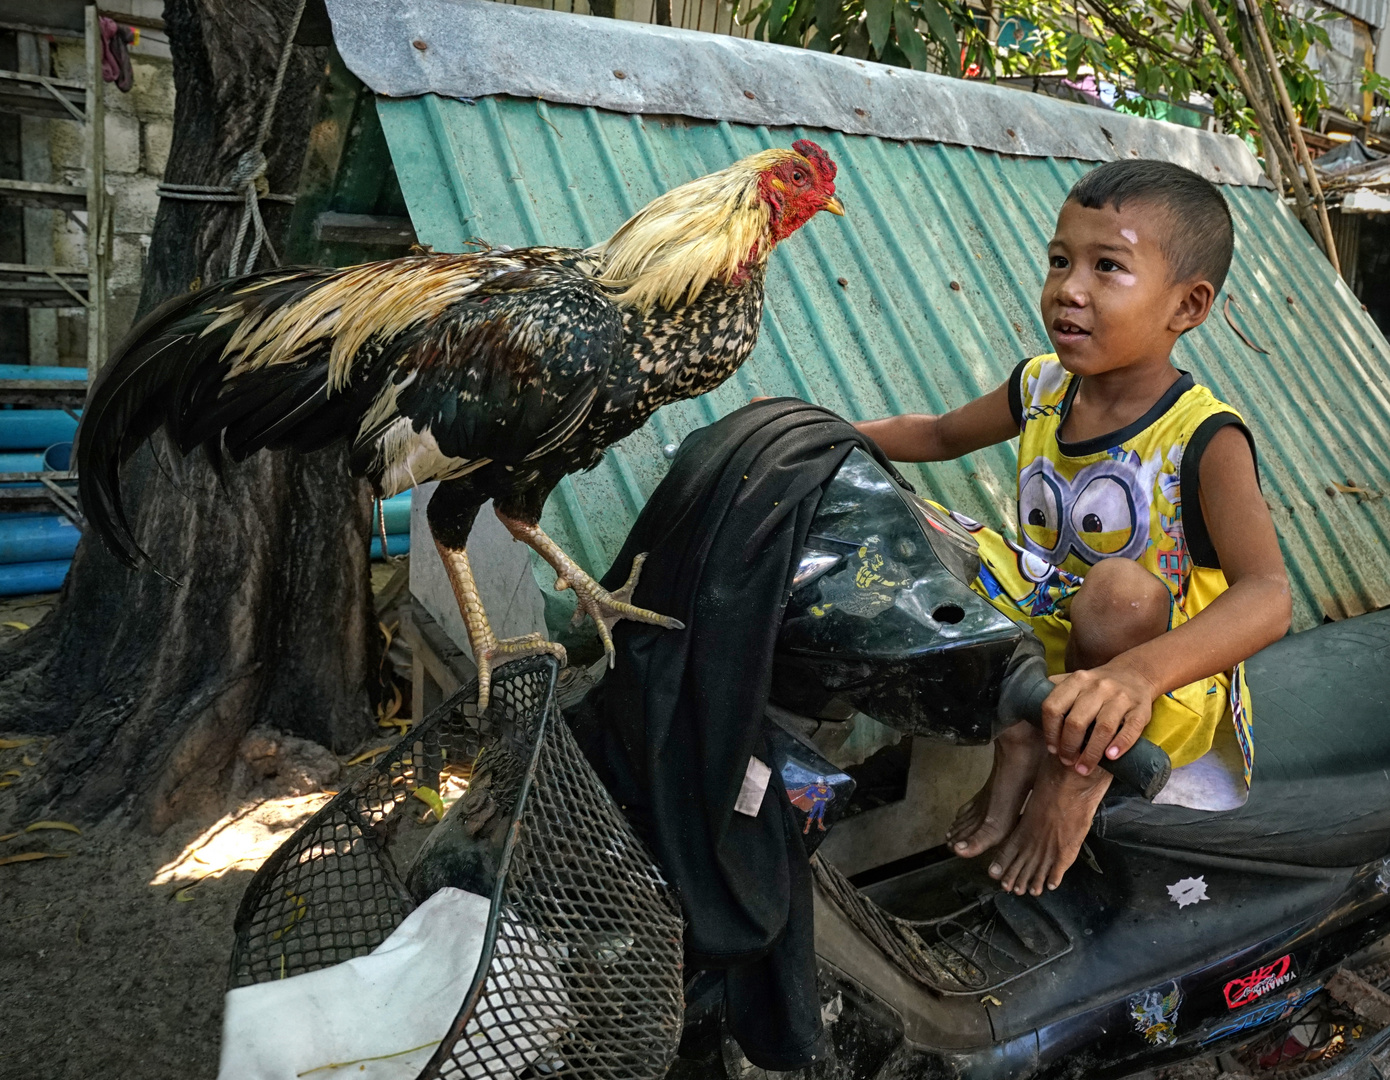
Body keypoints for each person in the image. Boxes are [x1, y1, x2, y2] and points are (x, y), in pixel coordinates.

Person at [855, 159, 1291, 896]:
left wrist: (1135, 675)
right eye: (1060, 260)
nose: (1070, 289)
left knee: (1120, 590)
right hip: (1055, 632)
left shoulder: (1205, 437)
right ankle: (1020, 739)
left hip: (1156, 680)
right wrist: (819, 429)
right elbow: (934, 434)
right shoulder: (1042, 387)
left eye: (1108, 267)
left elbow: (1270, 593)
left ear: (1187, 306)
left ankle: (1072, 781)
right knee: (916, 526)